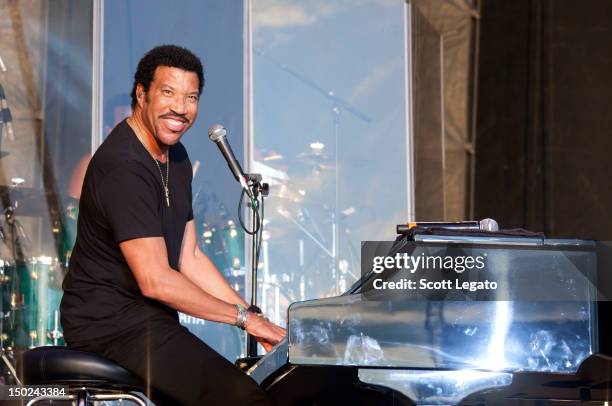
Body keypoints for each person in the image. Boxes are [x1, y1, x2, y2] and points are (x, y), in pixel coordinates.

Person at [60, 44, 285, 405]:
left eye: (191, 97)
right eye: (168, 92)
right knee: (242, 399)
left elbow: (189, 255)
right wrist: (243, 319)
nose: (180, 108)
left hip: (146, 321)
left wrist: (256, 318)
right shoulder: (124, 166)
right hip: (106, 324)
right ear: (141, 94)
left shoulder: (175, 157)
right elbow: (156, 280)